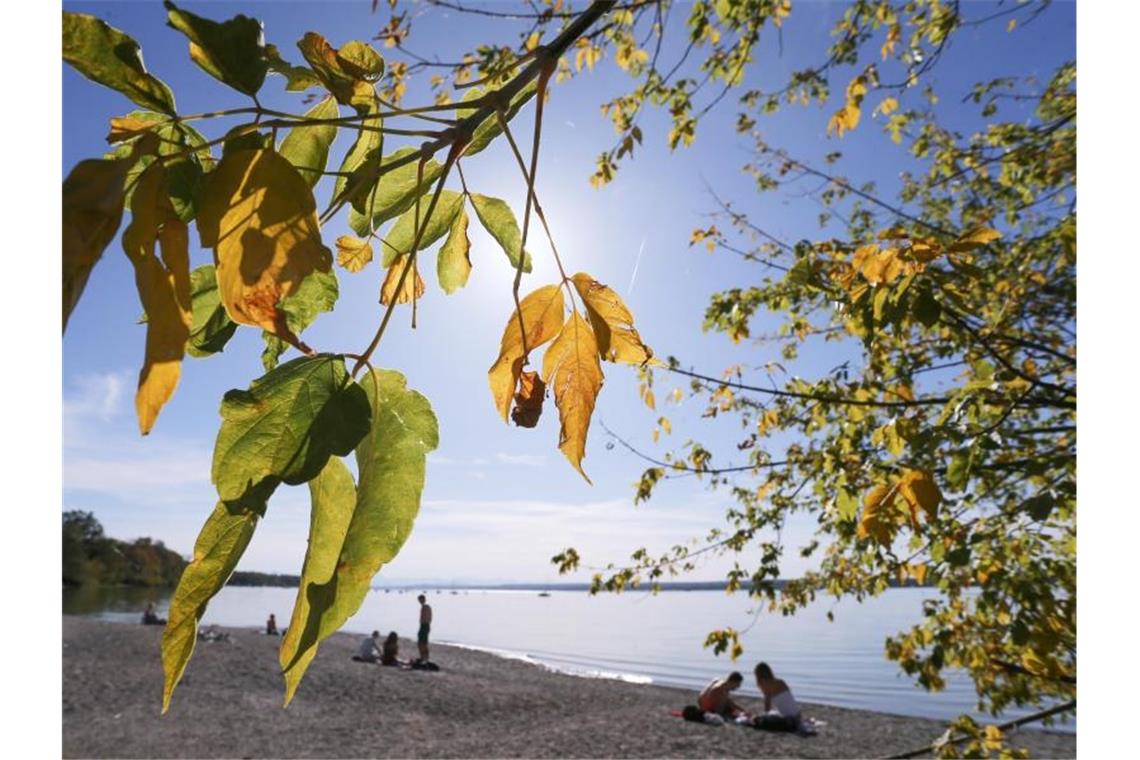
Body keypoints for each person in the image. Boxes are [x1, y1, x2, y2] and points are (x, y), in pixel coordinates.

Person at [753, 662, 803, 732]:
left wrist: (766, 716)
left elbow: (767, 704)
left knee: (757, 719)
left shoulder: (764, 684)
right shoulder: (781, 681)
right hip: (798, 716)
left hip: (789, 719)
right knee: (774, 713)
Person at [416, 594, 433, 663]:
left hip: (425, 625)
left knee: (422, 643)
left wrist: (424, 622)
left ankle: (424, 657)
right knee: (422, 643)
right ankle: (424, 657)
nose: (420, 601)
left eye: (421, 599)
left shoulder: (425, 607)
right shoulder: (425, 607)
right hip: (425, 625)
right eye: (419, 600)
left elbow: (427, 618)